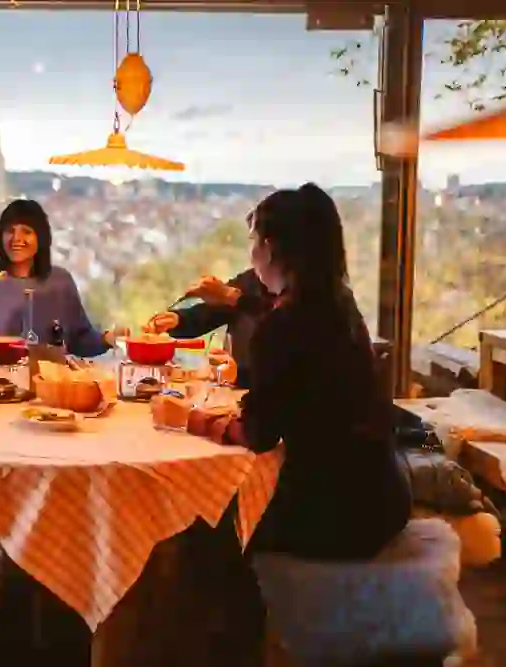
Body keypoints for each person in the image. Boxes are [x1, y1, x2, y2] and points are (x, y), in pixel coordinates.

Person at [186, 185, 412, 658]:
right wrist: (236, 301)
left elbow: (257, 435)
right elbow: (289, 332)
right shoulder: (338, 304)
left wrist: (194, 420)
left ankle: (231, 650)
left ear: (270, 247)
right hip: (384, 498)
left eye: (253, 242)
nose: (251, 254)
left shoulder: (282, 327)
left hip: (334, 517)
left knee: (203, 526)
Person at [0, 199, 125, 356]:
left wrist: (106, 339)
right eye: (10, 231)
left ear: (41, 238)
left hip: (49, 386)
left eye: (26, 231)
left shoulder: (60, 282)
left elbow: (79, 340)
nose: (16, 238)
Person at [144, 268, 272, 388]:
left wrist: (239, 375)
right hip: (235, 388)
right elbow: (215, 310)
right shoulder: (251, 278)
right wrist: (179, 319)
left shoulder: (284, 296)